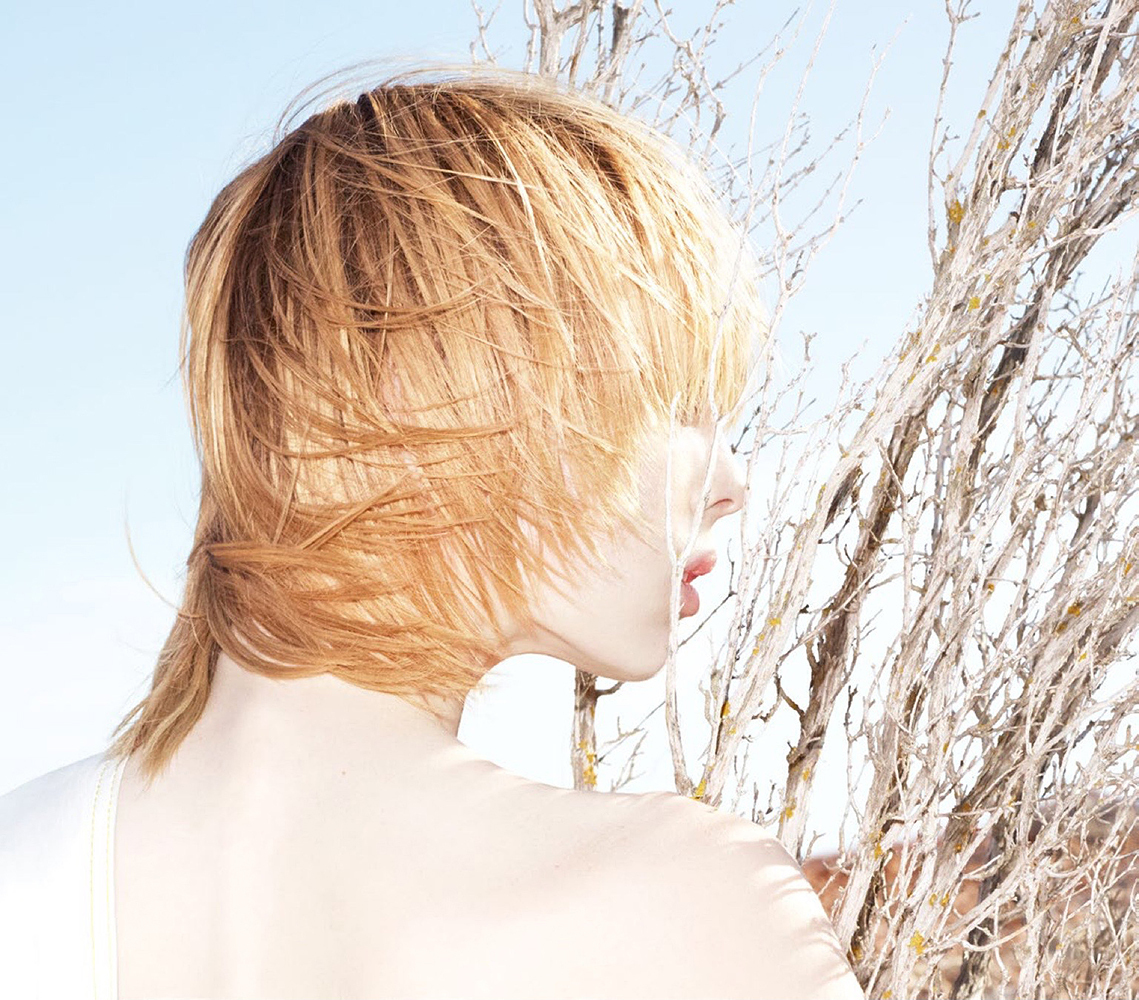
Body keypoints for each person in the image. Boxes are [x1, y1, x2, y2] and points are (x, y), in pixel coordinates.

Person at [0, 68, 863, 999]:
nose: (732, 484)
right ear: (435, 391)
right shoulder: (689, 905)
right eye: (677, 402)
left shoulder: (24, 868)